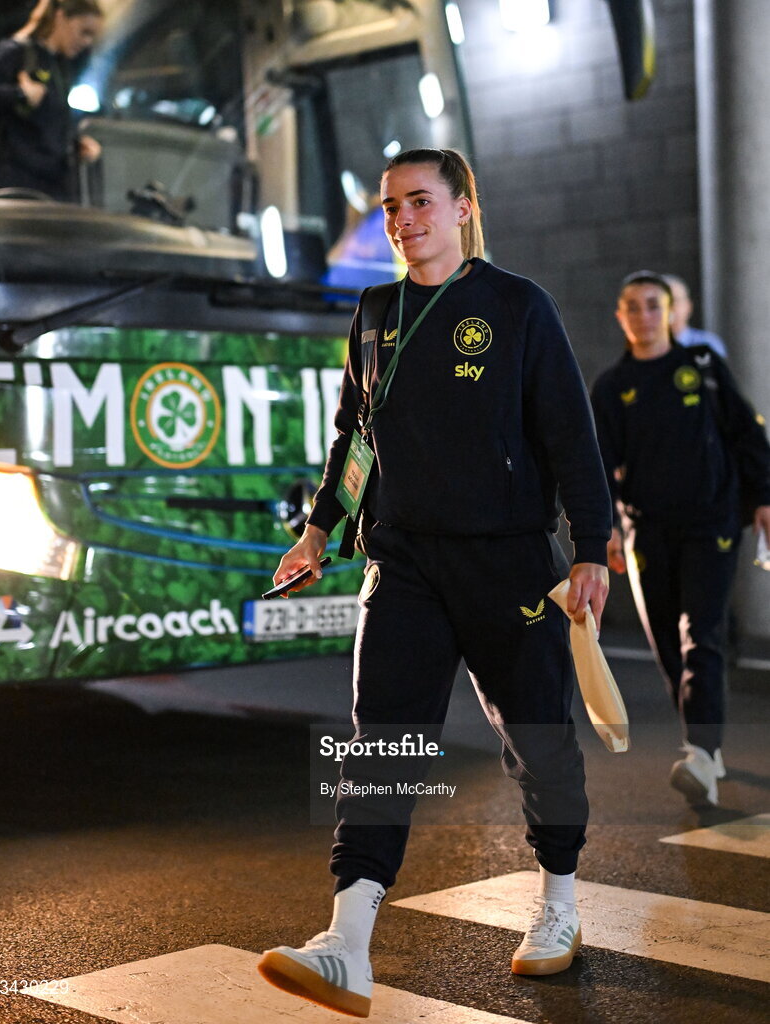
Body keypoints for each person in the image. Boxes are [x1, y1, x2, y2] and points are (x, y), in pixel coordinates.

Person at [256, 148, 612, 1018]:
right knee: (381, 743)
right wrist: (317, 529)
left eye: (420, 201)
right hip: (403, 561)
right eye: (389, 207)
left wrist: (591, 546)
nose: (402, 220)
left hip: (508, 564)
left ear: (462, 207)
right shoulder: (375, 313)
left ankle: (558, 904)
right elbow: (355, 435)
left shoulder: (517, 306)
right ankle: (346, 943)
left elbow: (569, 433)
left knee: (537, 737)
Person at [591, 271, 770, 808]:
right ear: (621, 317)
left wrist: (764, 499)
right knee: (668, 644)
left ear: (670, 313)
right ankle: (703, 744)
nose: (644, 316)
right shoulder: (611, 387)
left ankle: (700, 749)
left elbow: (747, 433)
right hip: (647, 530)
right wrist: (604, 533)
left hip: (710, 524)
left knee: (701, 635)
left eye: (653, 305)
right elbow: (600, 468)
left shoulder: (703, 368)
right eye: (633, 307)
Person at [0, 0, 103, 202]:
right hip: (14, 190)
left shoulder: (60, 64)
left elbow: (46, 124)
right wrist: (18, 94)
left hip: (49, 191)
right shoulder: (17, 51)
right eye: (84, 31)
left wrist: (75, 145)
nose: (87, 42)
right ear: (60, 17)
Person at [665, 274, 728, 358]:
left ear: (688, 306)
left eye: (673, 301)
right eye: (662, 303)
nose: (668, 308)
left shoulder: (706, 344)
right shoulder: (645, 347)